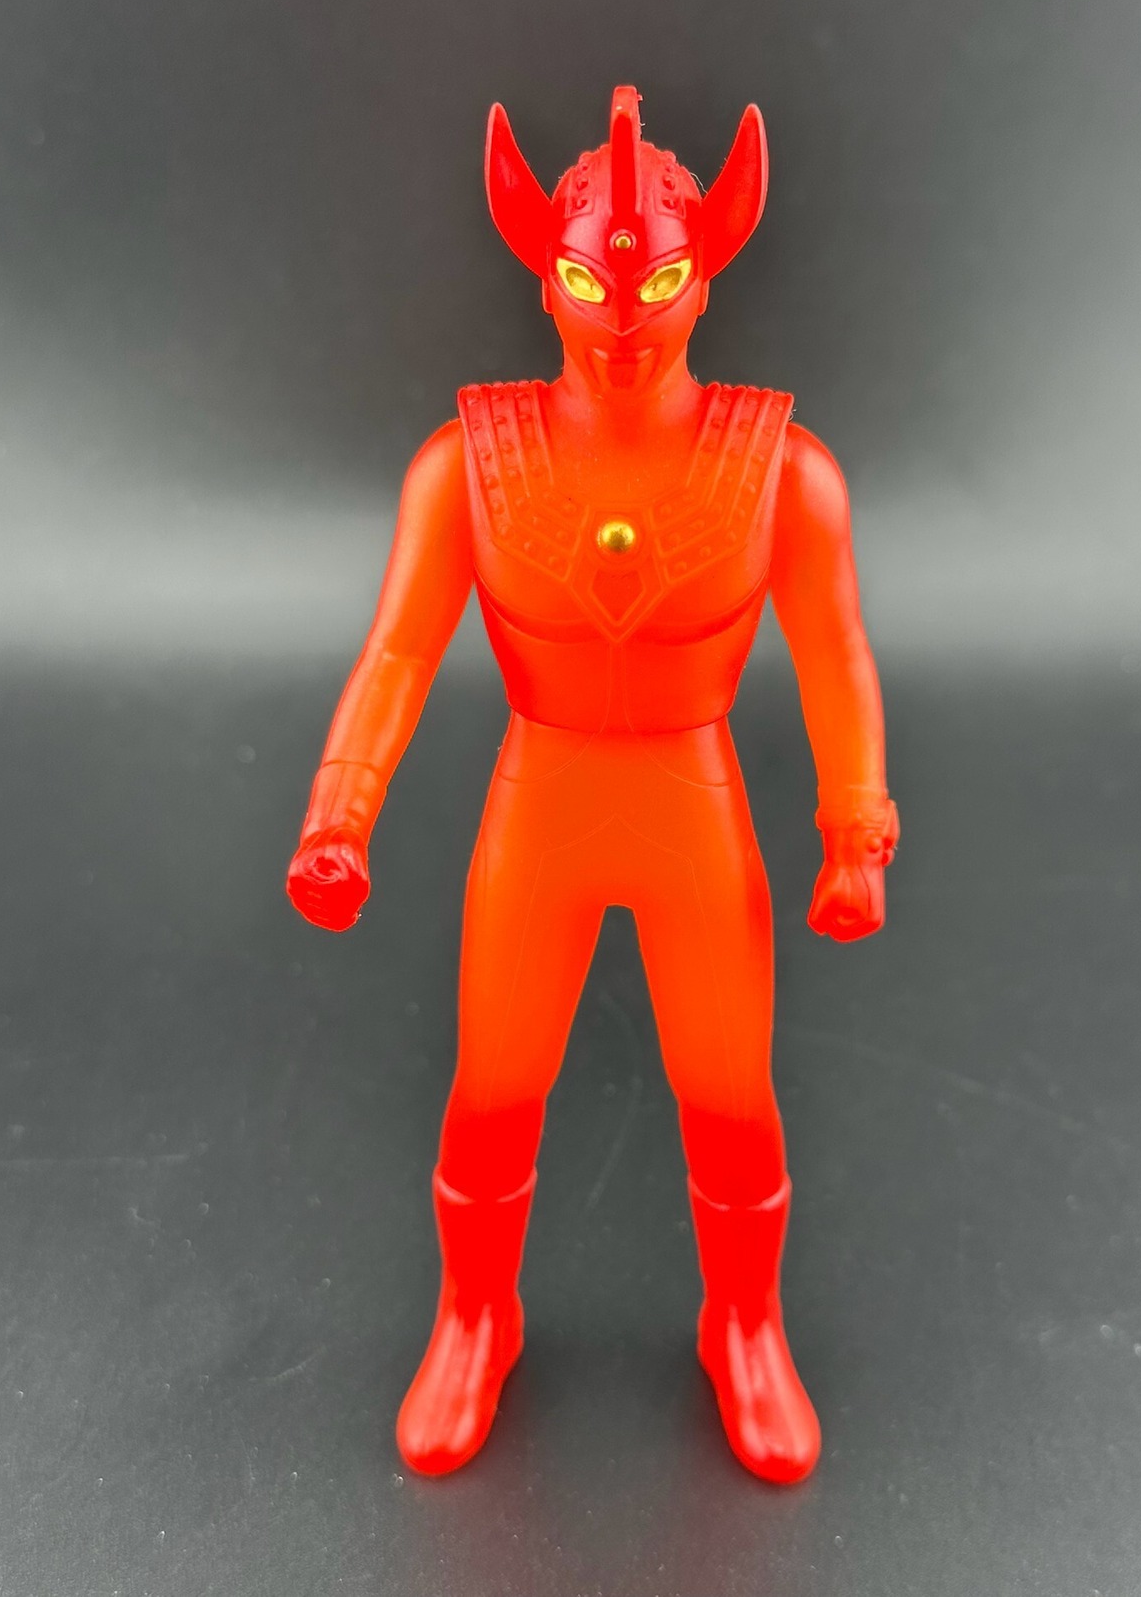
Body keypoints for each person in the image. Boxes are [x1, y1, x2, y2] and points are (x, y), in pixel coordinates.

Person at [287, 87, 898, 1484]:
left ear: (706, 272)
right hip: (545, 802)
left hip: (692, 803)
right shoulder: (466, 466)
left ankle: (744, 1322)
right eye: (591, 282)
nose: (623, 319)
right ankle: (474, 1314)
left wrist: (856, 828)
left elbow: (837, 655)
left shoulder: (784, 473)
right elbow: (397, 651)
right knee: (495, 1083)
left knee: (729, 1091)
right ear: (545, 275)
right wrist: (341, 811)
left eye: (657, 283)